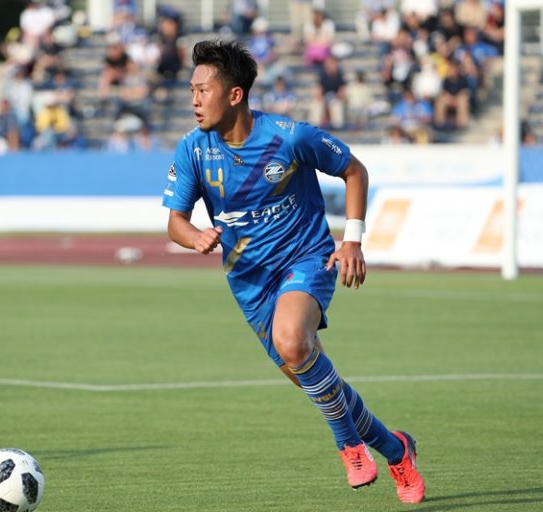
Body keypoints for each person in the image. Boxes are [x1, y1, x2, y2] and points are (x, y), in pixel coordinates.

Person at [161, 39, 426, 504]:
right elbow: (175, 222)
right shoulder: (193, 149)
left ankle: (349, 447)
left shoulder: (290, 137)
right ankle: (396, 449)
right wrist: (195, 236)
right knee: (319, 383)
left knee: (291, 340)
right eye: (192, 91)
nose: (195, 100)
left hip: (305, 259)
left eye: (203, 90)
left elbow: (355, 171)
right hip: (249, 283)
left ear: (235, 95)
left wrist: (352, 240)